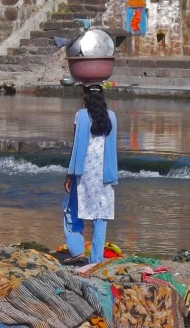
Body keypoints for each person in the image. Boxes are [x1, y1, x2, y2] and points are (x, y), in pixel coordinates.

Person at [62, 84, 118, 265]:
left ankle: (77, 250)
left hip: (83, 173)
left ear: (84, 96)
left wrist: (69, 174)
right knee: (101, 215)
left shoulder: (81, 115)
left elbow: (76, 146)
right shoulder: (112, 116)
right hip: (104, 173)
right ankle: (96, 259)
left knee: (71, 210)